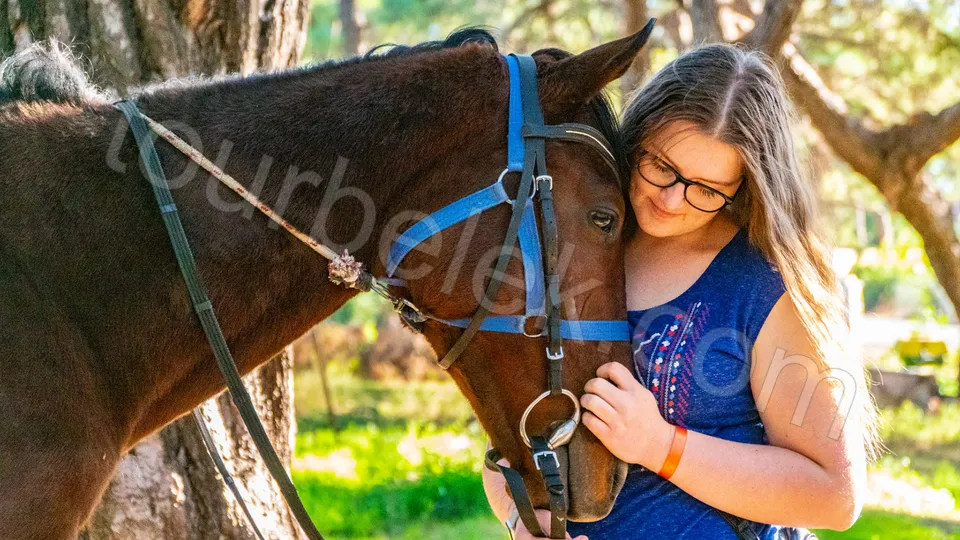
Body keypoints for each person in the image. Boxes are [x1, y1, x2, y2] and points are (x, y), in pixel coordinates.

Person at [482, 42, 877, 539]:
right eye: (662, 168)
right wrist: (524, 522)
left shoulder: (764, 285)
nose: (672, 201)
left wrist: (660, 445)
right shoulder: (566, 249)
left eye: (707, 189)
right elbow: (505, 448)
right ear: (636, 137)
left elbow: (834, 495)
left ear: (745, 186)